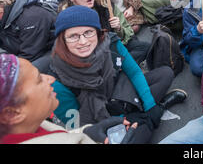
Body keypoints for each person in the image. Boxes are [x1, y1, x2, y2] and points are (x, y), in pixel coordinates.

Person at [47, 6, 186, 142]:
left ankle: (152, 108)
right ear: (62, 40)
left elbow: (134, 72)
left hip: (124, 94)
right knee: (140, 131)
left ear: (98, 32)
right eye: (73, 36)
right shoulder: (57, 81)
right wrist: (121, 120)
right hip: (101, 119)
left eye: (88, 32)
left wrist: (150, 105)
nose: (83, 42)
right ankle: (158, 108)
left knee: (166, 73)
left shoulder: (110, 42)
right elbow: (80, 128)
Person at [0, 53, 142, 144]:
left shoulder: (31, 127)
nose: (50, 78)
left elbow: (61, 137)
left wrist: (86, 132)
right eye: (38, 80)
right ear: (13, 113)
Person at [60, 0, 149, 66]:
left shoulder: (106, 6)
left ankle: (121, 65)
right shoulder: (67, 17)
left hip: (113, 44)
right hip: (92, 53)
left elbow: (128, 34)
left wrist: (118, 28)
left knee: (144, 47)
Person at [0, 0, 56, 73]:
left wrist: (8, 67)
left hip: (48, 52)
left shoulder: (32, 16)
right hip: (20, 51)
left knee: (20, 74)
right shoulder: (4, 17)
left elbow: (30, 53)